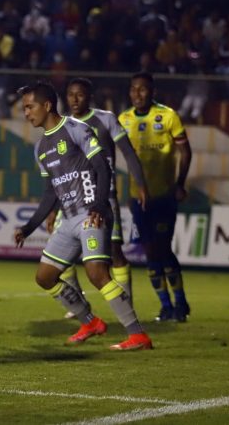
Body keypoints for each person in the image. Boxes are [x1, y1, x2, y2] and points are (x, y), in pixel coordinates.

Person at [14, 81, 152, 351]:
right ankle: (90, 322)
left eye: (29, 107)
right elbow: (49, 192)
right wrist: (29, 227)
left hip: (91, 214)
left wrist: (100, 206)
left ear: (47, 105)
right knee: (44, 277)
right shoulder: (40, 148)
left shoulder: (76, 129)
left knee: (97, 273)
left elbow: (102, 167)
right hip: (67, 219)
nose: (26, 113)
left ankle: (138, 335)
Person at [47, 78, 148, 313]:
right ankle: (78, 305)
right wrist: (52, 208)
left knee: (113, 251)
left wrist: (140, 183)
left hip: (102, 196)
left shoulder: (106, 119)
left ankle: (126, 302)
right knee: (60, 254)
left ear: (89, 97)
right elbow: (58, 170)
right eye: (70, 94)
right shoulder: (63, 126)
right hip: (70, 199)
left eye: (79, 95)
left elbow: (129, 154)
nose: (74, 99)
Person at [119, 73, 192, 322]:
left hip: (163, 196)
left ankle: (180, 303)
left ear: (152, 92)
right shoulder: (123, 119)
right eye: (133, 89)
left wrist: (180, 183)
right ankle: (166, 307)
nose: (137, 94)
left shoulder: (168, 116)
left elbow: (185, 150)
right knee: (150, 251)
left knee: (162, 249)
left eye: (143, 89)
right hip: (138, 199)